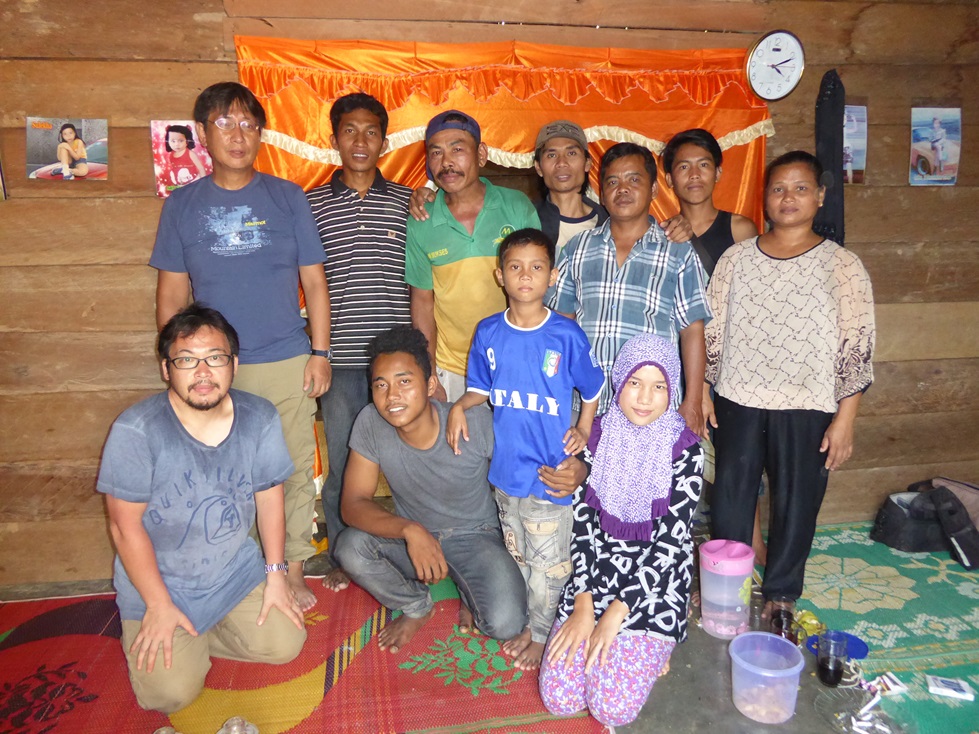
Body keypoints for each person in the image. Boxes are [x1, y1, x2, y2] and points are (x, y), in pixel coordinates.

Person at [151, 81, 331, 612]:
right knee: (226, 475)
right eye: (225, 123)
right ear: (203, 133)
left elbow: (315, 281)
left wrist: (320, 353)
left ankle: (292, 567)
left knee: (290, 468)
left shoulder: (287, 197)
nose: (237, 135)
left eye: (249, 124)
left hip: (285, 359)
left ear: (261, 134)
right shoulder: (182, 205)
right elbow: (171, 296)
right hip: (213, 369)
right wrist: (178, 365)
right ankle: (245, 570)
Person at [98, 304, 306, 713]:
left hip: (233, 575)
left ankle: (197, 637)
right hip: (161, 585)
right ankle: (177, 636)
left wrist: (276, 575)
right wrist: (158, 605)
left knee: (286, 644)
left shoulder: (259, 417)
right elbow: (124, 528)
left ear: (234, 364)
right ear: (166, 369)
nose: (203, 372)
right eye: (187, 360)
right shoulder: (135, 430)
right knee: (170, 695)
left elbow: (270, 498)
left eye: (215, 358)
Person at [334, 326, 588, 654]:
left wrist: (579, 467)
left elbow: (536, 445)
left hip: (476, 537)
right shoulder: (371, 422)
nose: (392, 396)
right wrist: (410, 530)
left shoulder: (473, 422)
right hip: (414, 541)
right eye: (380, 385)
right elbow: (353, 504)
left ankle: (467, 590)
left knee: (505, 623)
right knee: (350, 547)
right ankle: (416, 605)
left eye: (404, 381)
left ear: (430, 385)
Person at [704, 151, 875, 614]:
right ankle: (729, 586)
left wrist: (845, 420)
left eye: (800, 188)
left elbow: (857, 347)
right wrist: (702, 391)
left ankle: (781, 594)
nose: (788, 198)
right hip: (738, 398)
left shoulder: (842, 265)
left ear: (819, 196)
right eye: (778, 189)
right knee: (731, 501)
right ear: (765, 198)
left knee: (797, 504)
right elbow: (712, 329)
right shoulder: (737, 258)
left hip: (809, 403)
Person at [446, 228, 605, 670]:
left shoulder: (565, 334)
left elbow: (593, 387)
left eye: (537, 267)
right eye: (515, 267)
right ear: (500, 275)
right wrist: (459, 405)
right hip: (507, 474)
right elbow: (480, 389)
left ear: (552, 276)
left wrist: (584, 428)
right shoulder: (489, 332)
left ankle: (541, 633)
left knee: (549, 563)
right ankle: (528, 620)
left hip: (551, 474)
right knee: (518, 555)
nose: (526, 276)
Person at [539, 333, 704, 727]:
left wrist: (615, 613)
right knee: (560, 697)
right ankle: (630, 646)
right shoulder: (593, 438)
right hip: (596, 569)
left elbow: (669, 545)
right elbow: (582, 526)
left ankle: (661, 640)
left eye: (659, 386)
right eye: (635, 382)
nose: (645, 398)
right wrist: (584, 604)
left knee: (612, 706)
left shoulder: (686, 450)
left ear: (673, 388)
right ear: (619, 381)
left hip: (655, 580)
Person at [306, 93, 413, 593]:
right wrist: (318, 353)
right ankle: (344, 554)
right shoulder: (311, 206)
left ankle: (412, 547)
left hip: (399, 360)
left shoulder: (409, 203)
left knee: (409, 458)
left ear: (384, 141)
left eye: (371, 131)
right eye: (350, 130)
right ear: (335, 140)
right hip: (342, 361)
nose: (360, 141)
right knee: (347, 461)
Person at [548, 142, 711, 437]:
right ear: (601, 194)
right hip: (585, 407)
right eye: (612, 182)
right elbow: (561, 325)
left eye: (634, 180)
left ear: (653, 190)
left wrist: (693, 401)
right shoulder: (577, 248)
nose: (622, 189)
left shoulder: (677, 251)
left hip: (652, 409)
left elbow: (692, 330)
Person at [661, 128, 766, 563]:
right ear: (669, 178)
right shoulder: (664, 233)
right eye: (683, 166)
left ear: (719, 172)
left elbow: (754, 305)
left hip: (733, 371)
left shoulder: (739, 228)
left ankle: (752, 552)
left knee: (738, 467)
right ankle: (683, 560)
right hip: (683, 366)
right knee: (681, 467)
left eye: (703, 165)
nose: (694, 175)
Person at [405, 110, 541, 403]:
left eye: (457, 149)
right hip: (451, 369)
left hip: (512, 362)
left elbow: (536, 289)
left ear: (481, 154)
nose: (446, 162)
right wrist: (429, 371)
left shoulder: (516, 207)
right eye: (436, 152)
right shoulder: (421, 220)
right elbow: (422, 302)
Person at [163, 124, 207, 188]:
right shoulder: (171, 155)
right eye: (173, 141)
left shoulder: (190, 153)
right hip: (180, 185)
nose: (176, 144)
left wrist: (204, 183)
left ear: (187, 141)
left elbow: (201, 168)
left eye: (181, 141)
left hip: (193, 182)